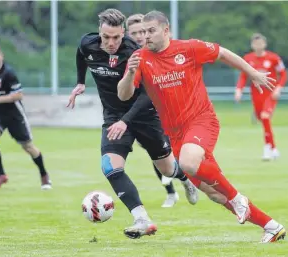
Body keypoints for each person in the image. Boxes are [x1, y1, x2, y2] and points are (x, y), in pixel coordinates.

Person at [118, 10, 286, 243]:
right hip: (175, 134)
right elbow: (124, 95)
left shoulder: (188, 48)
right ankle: (271, 226)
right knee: (215, 193)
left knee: (189, 162)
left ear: (166, 31)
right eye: (143, 32)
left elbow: (223, 53)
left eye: (151, 31)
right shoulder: (139, 58)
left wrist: (252, 72)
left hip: (201, 120)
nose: (146, 36)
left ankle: (238, 199)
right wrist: (131, 73)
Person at [67, 9, 199, 239]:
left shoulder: (135, 52)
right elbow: (81, 55)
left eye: (116, 37)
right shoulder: (87, 44)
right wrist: (80, 82)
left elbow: (149, 93)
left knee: (167, 168)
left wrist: (126, 121)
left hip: (145, 114)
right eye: (106, 37)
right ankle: (142, 219)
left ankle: (186, 180)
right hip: (113, 116)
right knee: (110, 166)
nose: (111, 42)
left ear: (124, 33)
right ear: (99, 32)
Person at [0, 44, 51, 190]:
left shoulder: (8, 73)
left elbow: (19, 95)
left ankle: (44, 174)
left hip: (14, 114)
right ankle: (1, 175)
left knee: (28, 147)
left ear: (1, 56)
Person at [126, 13, 179, 208]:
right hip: (142, 112)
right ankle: (171, 192)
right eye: (134, 33)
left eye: (143, 31)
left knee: (170, 148)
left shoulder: (157, 50)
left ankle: (184, 177)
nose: (140, 36)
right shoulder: (129, 55)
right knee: (154, 153)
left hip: (164, 108)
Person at [234, 33, 288, 161]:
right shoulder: (248, 59)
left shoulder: (274, 58)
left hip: (270, 93)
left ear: (265, 44)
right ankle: (274, 148)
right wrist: (238, 90)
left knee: (265, 116)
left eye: (260, 43)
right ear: (252, 45)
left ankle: (267, 149)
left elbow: (284, 74)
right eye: (255, 43)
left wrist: (279, 88)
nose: (258, 45)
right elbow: (243, 76)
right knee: (262, 119)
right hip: (256, 95)